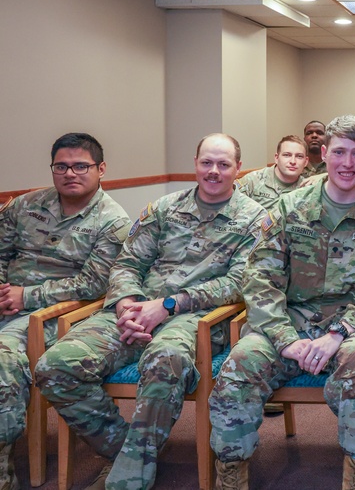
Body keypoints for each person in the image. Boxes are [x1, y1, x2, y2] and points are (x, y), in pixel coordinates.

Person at [35, 134, 270, 490]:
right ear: (195, 163)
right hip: (136, 309)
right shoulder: (164, 208)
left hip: (197, 317)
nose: (213, 171)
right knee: (55, 367)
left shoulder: (255, 219)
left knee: (165, 361)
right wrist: (127, 302)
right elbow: (128, 262)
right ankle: (131, 455)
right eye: (206, 162)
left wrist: (169, 305)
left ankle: (128, 480)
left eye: (223, 164)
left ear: (238, 168)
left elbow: (239, 282)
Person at [209, 117, 355, 490]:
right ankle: (231, 471)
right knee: (238, 366)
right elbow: (260, 279)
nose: (347, 163)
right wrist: (288, 339)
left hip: (350, 327)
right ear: (323, 154)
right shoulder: (290, 208)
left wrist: (337, 333)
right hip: (286, 324)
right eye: (339, 152)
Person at [0, 133, 130, 489]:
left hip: (59, 312)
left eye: (80, 166)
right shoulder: (25, 205)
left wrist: (26, 296)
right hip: (8, 300)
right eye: (61, 166)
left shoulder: (112, 220)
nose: (70, 173)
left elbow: (94, 285)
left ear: (101, 169)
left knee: (3, 355)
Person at [235, 135, 307, 210]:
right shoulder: (253, 180)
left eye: (299, 156)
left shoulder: (308, 188)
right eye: (287, 155)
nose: (293, 161)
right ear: (276, 158)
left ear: (306, 162)